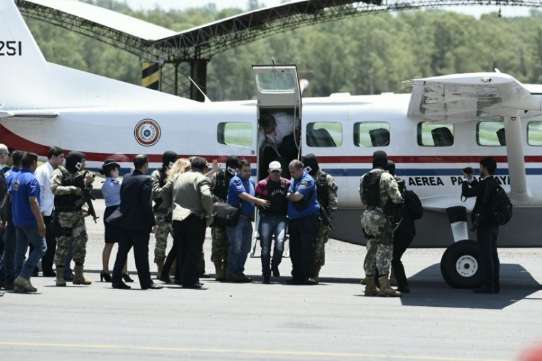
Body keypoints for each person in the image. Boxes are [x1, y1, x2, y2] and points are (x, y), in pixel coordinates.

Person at [161, 157, 213, 289]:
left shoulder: (178, 177)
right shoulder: (201, 178)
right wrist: (209, 213)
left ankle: (182, 278)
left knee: (182, 249)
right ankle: (190, 280)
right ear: (204, 168)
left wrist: (169, 206)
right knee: (194, 250)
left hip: (177, 217)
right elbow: (206, 196)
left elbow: (165, 191)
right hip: (194, 217)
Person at [110, 155, 160, 290]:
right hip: (139, 224)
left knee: (122, 253)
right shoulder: (146, 180)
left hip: (125, 222)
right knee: (141, 255)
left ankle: (116, 280)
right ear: (145, 165)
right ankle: (146, 282)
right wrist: (153, 223)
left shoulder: (126, 178)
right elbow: (146, 205)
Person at [360, 151, 403, 297]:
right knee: (385, 250)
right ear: (384, 162)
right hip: (381, 217)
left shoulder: (364, 177)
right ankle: (385, 286)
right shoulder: (386, 177)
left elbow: (362, 198)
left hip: (367, 216)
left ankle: (370, 286)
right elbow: (397, 198)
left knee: (371, 249)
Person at [51, 151, 93, 287]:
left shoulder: (80, 175)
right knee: (63, 245)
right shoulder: (59, 172)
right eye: (82, 161)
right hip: (64, 216)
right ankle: (60, 276)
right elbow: (54, 188)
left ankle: (78, 275)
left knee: (81, 244)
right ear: (76, 162)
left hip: (78, 215)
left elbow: (85, 192)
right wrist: (72, 189)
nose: (84, 164)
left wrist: (87, 184)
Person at [462, 157, 501, 293]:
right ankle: (495, 285)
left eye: (481, 167)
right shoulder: (493, 182)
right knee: (493, 255)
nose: (480, 170)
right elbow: (478, 188)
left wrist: (466, 179)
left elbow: (468, 192)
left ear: (485, 168)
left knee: (486, 255)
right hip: (493, 224)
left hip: (484, 224)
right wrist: (471, 179)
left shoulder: (485, 184)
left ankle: (487, 285)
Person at [226, 159, 269, 282]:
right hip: (237, 219)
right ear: (238, 170)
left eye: (250, 170)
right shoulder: (235, 180)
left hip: (247, 219)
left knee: (245, 248)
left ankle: (239, 271)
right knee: (236, 247)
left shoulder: (250, 181)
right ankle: (232, 272)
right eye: (245, 171)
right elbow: (242, 195)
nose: (248, 173)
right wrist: (258, 201)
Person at [11, 152, 46, 293]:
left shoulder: (16, 178)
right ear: (33, 163)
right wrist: (41, 222)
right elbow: (33, 201)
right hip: (30, 221)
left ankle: (19, 281)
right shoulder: (31, 179)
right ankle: (24, 276)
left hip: (18, 220)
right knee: (41, 248)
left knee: (20, 251)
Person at [386, 161, 423, 293]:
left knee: (393, 257)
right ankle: (395, 280)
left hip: (396, 229)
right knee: (395, 257)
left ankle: (401, 284)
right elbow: (418, 214)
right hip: (408, 231)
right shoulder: (408, 193)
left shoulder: (387, 188)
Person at [301, 154, 338, 283]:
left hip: (321, 218)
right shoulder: (304, 178)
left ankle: (314, 273)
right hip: (305, 217)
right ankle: (304, 271)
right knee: (305, 244)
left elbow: (333, 201)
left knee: (318, 246)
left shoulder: (326, 179)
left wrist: (328, 218)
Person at [286, 159, 320, 285]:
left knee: (307, 248)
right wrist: (290, 194)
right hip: (295, 219)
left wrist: (289, 195)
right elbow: (291, 193)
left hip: (307, 219)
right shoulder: (295, 179)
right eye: (290, 172)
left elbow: (297, 197)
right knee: (294, 249)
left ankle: (307, 276)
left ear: (301, 169)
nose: (291, 174)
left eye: (293, 172)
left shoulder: (307, 180)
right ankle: (297, 275)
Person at [255, 161, 290, 284]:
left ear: (281, 171)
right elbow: (256, 200)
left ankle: (275, 264)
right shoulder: (262, 184)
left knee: (280, 244)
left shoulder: (286, 183)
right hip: (266, 218)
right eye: (273, 171)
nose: (275, 173)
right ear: (269, 171)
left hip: (281, 218)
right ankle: (266, 273)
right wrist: (261, 205)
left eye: (278, 171)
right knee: (265, 248)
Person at [158, 158, 191, 283]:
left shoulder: (179, 177)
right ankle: (169, 273)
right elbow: (163, 191)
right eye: (187, 168)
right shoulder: (176, 177)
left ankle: (174, 274)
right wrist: (169, 204)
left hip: (178, 214)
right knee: (179, 245)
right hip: (175, 214)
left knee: (178, 246)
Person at [99, 159, 132, 283]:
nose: (118, 171)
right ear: (112, 171)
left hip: (110, 211)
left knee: (110, 243)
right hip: (117, 212)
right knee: (122, 243)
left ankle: (106, 271)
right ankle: (123, 271)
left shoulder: (107, 183)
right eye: (116, 169)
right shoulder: (114, 184)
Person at [34, 146, 64, 277]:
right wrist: (39, 212)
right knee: (36, 242)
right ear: (53, 157)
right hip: (42, 212)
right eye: (61, 157)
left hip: (51, 212)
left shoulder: (57, 171)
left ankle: (47, 268)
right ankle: (34, 268)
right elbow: (38, 192)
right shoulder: (42, 170)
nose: (63, 160)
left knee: (51, 243)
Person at [210, 156, 239, 281]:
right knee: (217, 243)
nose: (233, 169)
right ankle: (218, 269)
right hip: (219, 215)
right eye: (231, 165)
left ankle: (227, 268)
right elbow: (208, 192)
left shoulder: (237, 178)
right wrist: (219, 202)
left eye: (235, 166)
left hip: (232, 215)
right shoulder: (218, 176)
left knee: (230, 243)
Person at [0, 150, 25, 290]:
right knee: (13, 251)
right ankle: (10, 278)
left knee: (8, 250)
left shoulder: (7, 174)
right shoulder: (19, 176)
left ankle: (6, 277)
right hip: (15, 218)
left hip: (7, 217)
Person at [151, 151, 178, 275]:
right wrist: (169, 182)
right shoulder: (157, 174)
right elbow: (155, 192)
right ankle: (161, 270)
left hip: (176, 214)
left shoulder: (179, 174)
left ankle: (172, 268)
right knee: (160, 244)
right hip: (161, 214)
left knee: (179, 243)